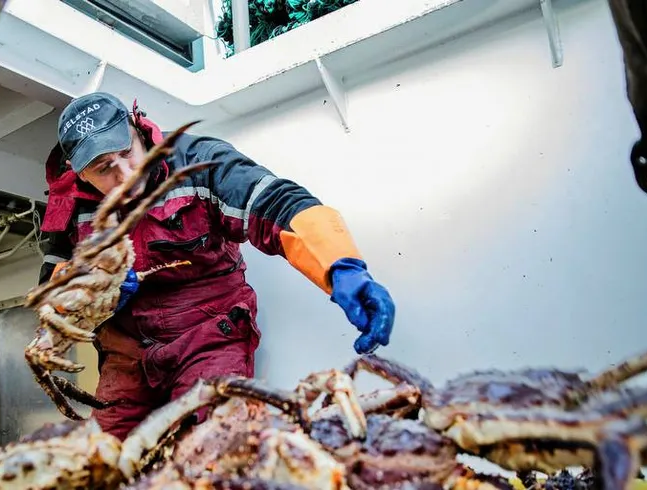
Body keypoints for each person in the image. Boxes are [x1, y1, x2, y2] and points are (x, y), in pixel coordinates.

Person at [37, 92, 396, 440]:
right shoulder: (67, 211)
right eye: (104, 169)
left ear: (136, 128)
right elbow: (53, 295)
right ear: (79, 173)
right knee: (99, 456)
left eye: (127, 151)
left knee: (216, 444)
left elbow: (275, 203)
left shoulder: (199, 162)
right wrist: (94, 289)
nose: (126, 173)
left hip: (209, 335)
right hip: (127, 352)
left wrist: (341, 266)